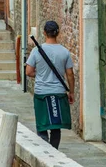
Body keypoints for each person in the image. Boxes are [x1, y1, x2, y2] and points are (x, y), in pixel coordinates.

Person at [26, 21, 75, 149]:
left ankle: (44, 152)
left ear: (44, 33)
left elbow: (28, 71)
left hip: (41, 93)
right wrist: (71, 92)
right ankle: (54, 151)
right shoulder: (64, 52)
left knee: (42, 126)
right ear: (57, 33)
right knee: (55, 127)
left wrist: (41, 74)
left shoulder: (37, 51)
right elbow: (70, 74)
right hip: (58, 93)